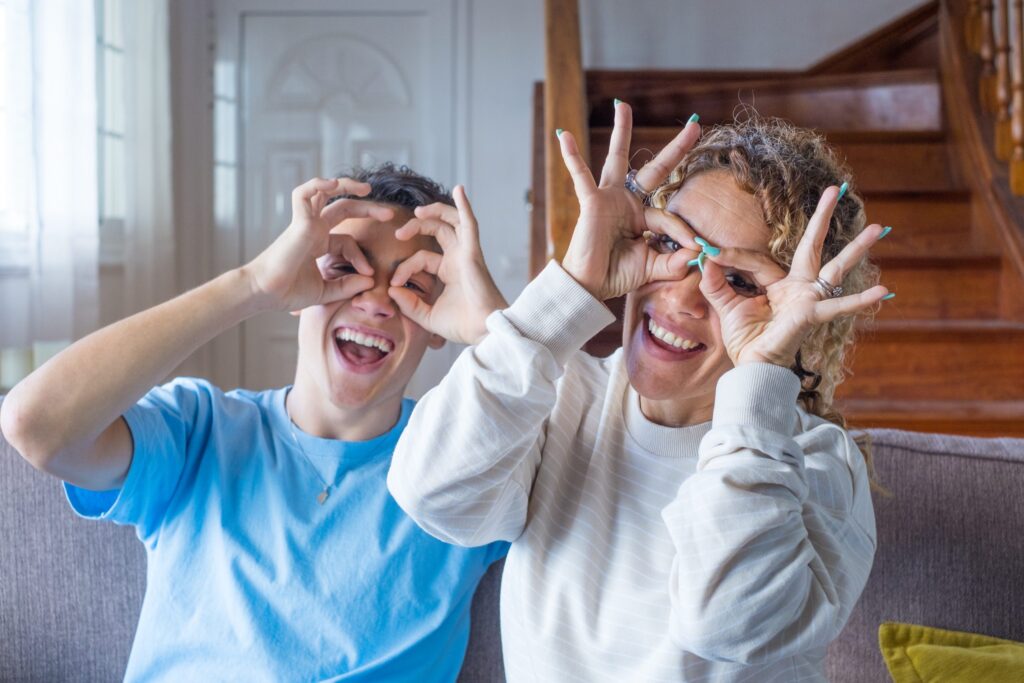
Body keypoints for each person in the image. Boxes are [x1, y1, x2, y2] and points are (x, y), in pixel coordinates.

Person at [387, 106, 888, 681]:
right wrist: (570, 285)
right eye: (675, 244)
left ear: (801, 320)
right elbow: (431, 494)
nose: (684, 298)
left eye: (743, 282)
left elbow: (727, 623)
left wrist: (762, 371)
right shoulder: (561, 394)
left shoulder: (820, 464)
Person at [0, 164, 508, 682]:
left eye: (413, 287)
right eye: (344, 271)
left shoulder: (464, 457)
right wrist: (254, 284)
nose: (376, 302)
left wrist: (497, 331)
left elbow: (591, 477)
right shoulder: (200, 429)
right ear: (301, 289)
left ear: (439, 322)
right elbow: (33, 422)